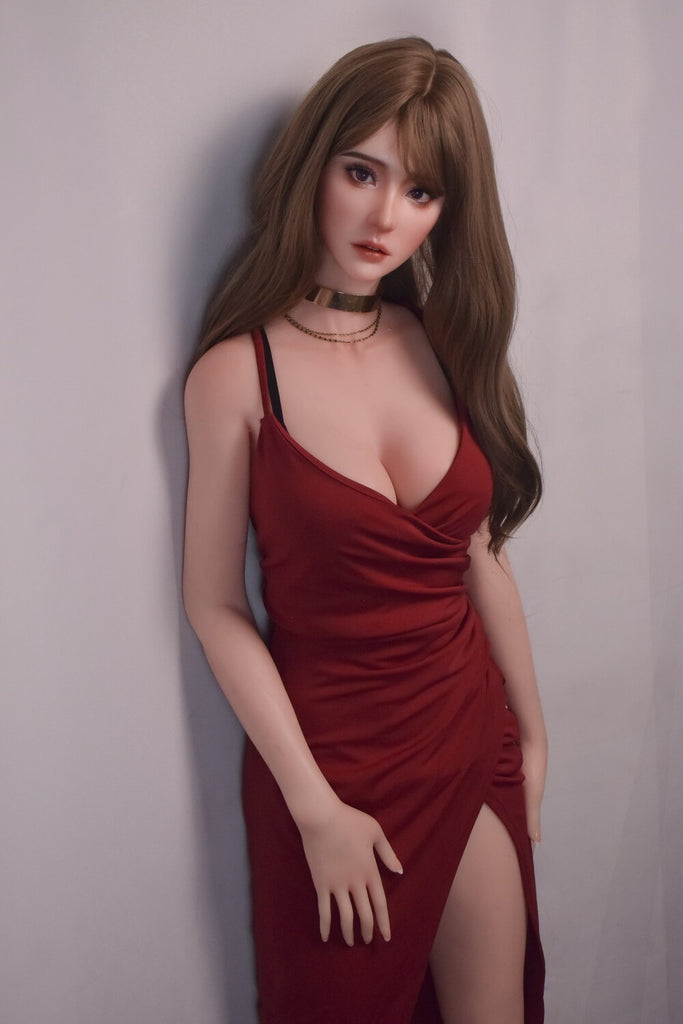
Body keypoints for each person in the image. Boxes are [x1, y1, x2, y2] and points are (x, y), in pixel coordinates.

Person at [182, 36, 547, 1024]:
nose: (387, 217)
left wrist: (531, 726)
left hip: (469, 736)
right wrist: (313, 807)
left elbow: (477, 553)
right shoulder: (236, 376)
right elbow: (214, 606)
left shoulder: (436, 341)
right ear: (314, 165)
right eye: (361, 172)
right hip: (332, 769)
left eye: (420, 191)